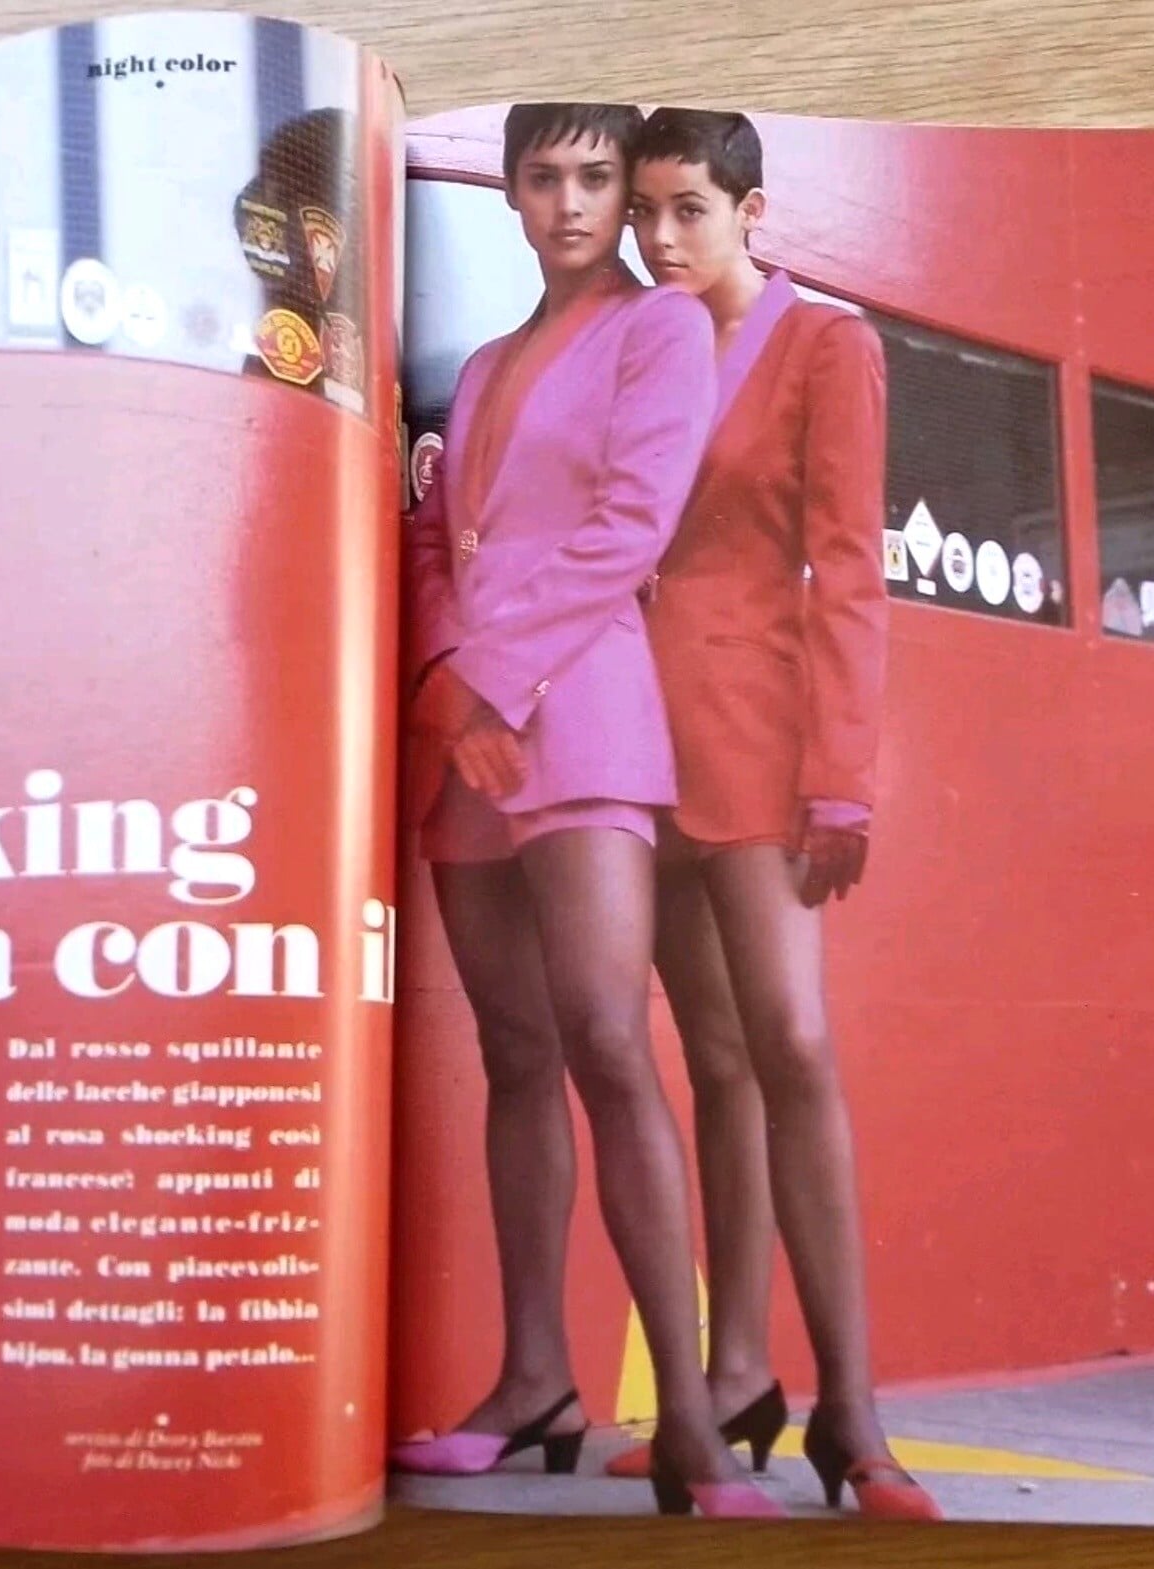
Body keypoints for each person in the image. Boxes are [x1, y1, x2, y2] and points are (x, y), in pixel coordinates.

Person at [388, 102, 778, 1520]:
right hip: (465, 736)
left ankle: (690, 1426)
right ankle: (535, 1381)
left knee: (610, 1040)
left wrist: (489, 681)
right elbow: (434, 535)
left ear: (627, 194)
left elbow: (633, 526)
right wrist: (444, 679)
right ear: (508, 191)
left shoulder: (660, 328)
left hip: (583, 714)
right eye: (543, 177)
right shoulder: (484, 366)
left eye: (595, 179)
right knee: (514, 1049)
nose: (569, 204)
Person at [613, 106, 942, 1522]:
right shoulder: (634, 342)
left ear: (752, 212)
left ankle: (851, 1412)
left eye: (687, 209)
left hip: (758, 740)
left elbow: (849, 568)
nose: (659, 237)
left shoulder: (825, 345)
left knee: (791, 1042)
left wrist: (841, 775)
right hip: (629, 733)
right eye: (644, 211)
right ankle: (736, 1371)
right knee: (713, 1059)